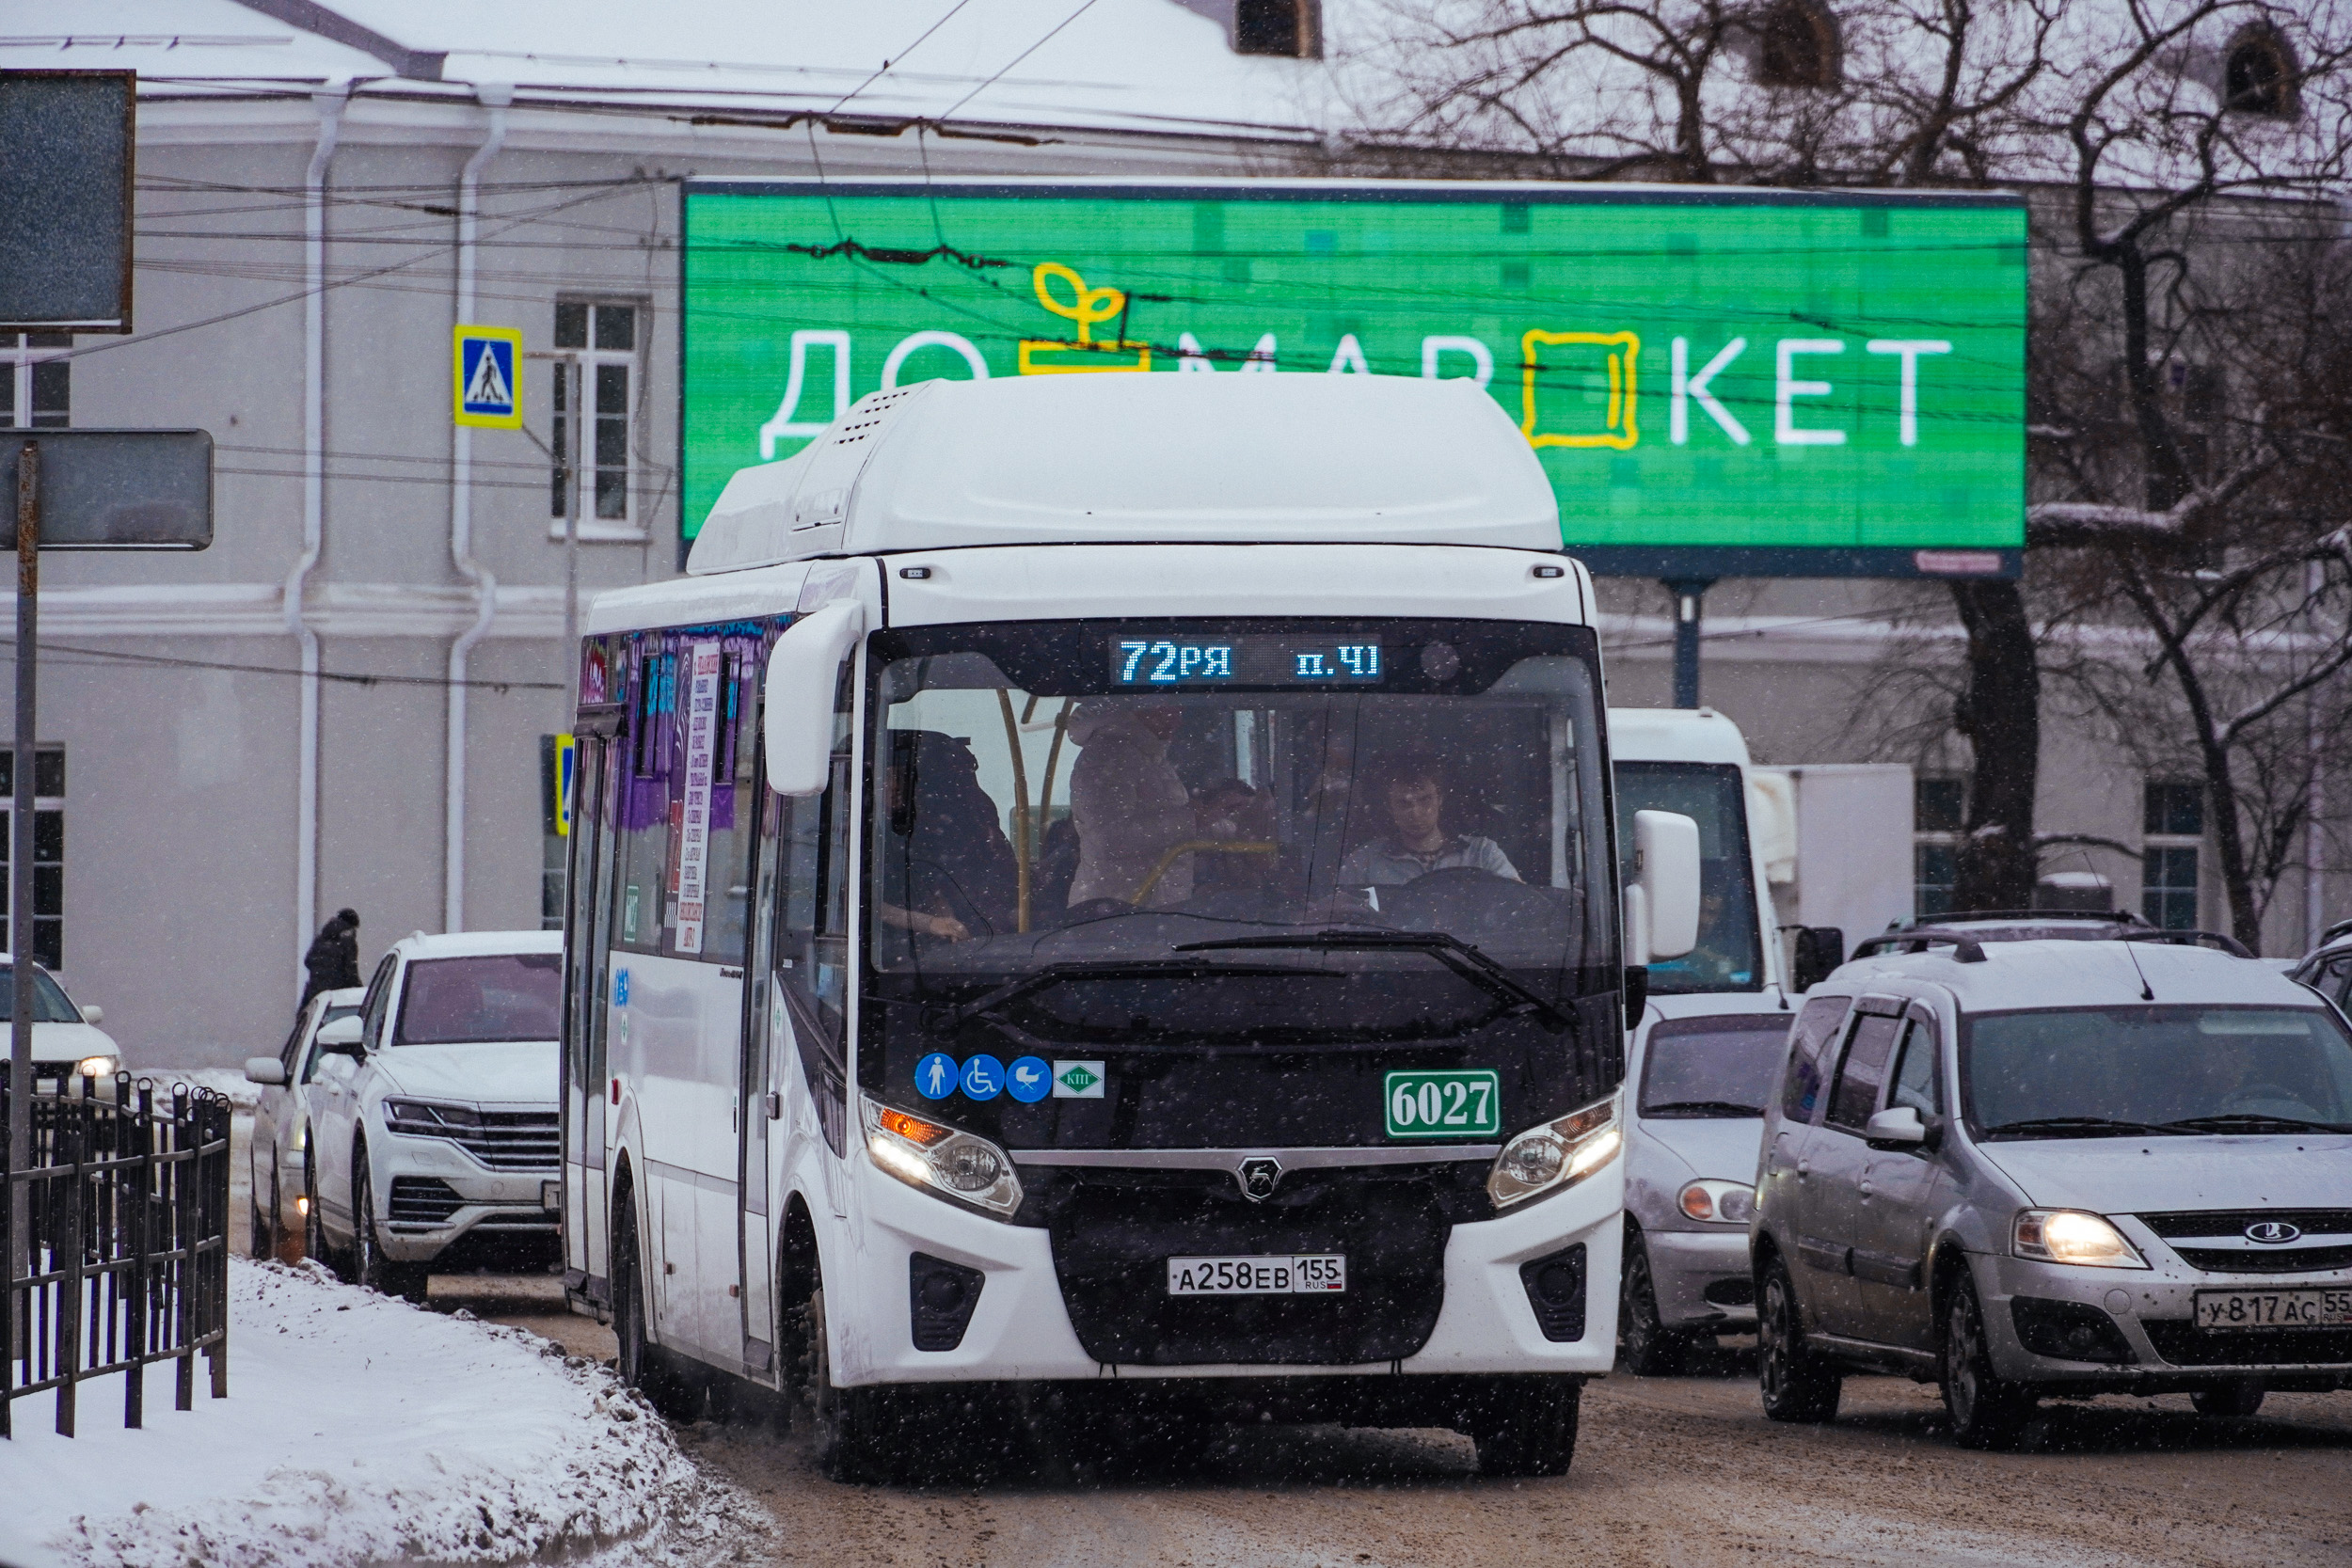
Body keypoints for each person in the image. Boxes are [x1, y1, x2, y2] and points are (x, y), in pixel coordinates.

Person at [1065, 701, 1262, 911]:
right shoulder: (1107, 755)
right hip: (1117, 909)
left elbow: (1172, 834)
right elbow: (1109, 839)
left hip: (1144, 908)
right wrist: (1195, 818)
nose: (1178, 719)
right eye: (1168, 708)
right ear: (1138, 709)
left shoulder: (1145, 756)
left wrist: (1236, 827)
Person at [1338, 754, 1518, 888]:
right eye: (1403, 803)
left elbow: (1518, 906)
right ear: (1389, 808)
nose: (1415, 813)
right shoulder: (1364, 862)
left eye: (1425, 800)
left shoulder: (1483, 854)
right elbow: (1339, 919)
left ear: (1440, 800)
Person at [301, 908, 360, 1010]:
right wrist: (360, 990)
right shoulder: (348, 941)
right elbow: (351, 971)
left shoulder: (321, 938)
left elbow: (308, 961)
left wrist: (320, 973)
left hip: (315, 992)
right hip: (336, 994)